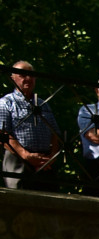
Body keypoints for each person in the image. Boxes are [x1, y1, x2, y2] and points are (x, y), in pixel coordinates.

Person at [0, 61, 60, 190]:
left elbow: (55, 133)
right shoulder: (6, 102)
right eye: (22, 75)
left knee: (48, 203)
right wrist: (25, 155)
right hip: (18, 161)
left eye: (31, 75)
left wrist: (52, 157)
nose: (28, 78)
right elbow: (3, 133)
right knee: (19, 202)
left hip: (45, 164)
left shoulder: (43, 104)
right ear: (12, 78)